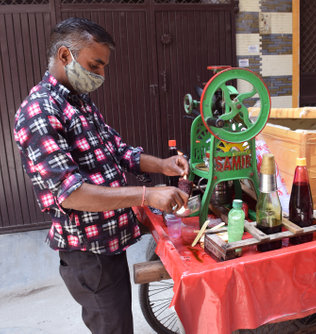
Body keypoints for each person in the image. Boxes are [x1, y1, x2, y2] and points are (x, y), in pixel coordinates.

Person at [14, 17, 189, 334]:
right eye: (95, 65)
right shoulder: (40, 111)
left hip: (107, 244)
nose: (101, 75)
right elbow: (72, 194)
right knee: (114, 327)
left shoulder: (79, 103)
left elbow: (120, 152)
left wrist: (163, 165)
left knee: (119, 321)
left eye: (103, 67)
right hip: (87, 254)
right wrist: (148, 195)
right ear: (65, 56)